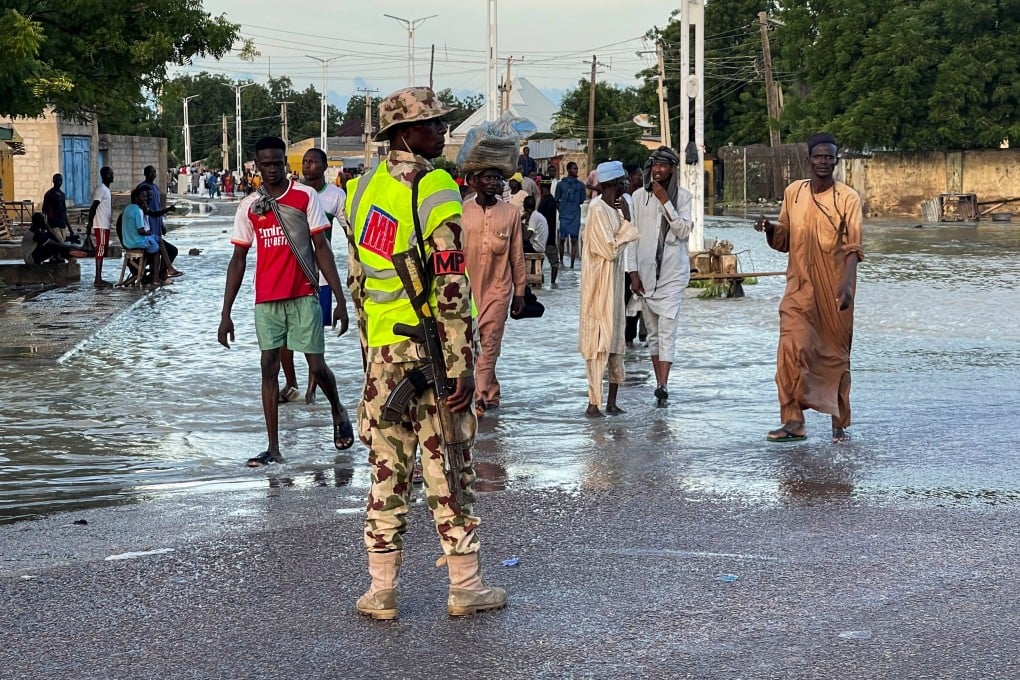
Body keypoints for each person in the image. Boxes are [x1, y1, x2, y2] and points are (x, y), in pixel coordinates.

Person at [344, 86, 506, 620]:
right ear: (402, 133)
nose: (441, 132)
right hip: (432, 351)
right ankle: (466, 585)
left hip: (383, 357)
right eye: (431, 125)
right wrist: (461, 365)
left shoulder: (359, 189)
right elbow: (451, 281)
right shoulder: (435, 186)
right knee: (448, 468)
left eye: (441, 123)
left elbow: (360, 283)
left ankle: (381, 590)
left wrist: (372, 356)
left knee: (387, 470)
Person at [217, 136, 355, 469]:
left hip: (304, 294)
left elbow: (321, 247)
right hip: (266, 299)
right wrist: (226, 314)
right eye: (266, 164)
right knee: (268, 367)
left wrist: (339, 298)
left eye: (278, 163)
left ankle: (337, 407)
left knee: (316, 366)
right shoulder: (249, 206)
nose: (273, 169)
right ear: (257, 166)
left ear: (284, 164)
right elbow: (238, 259)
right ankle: (273, 447)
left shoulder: (305, 196)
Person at [754, 132, 864, 444]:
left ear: (836, 161)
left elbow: (854, 247)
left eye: (829, 157)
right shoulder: (794, 193)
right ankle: (792, 421)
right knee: (791, 349)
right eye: (818, 157)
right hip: (799, 289)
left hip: (835, 293)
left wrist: (846, 283)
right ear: (808, 160)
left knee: (834, 355)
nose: (823, 162)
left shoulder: (848, 199)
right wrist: (771, 229)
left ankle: (838, 423)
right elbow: (785, 238)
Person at [279, 148, 349, 404]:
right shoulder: (293, 193)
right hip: (291, 275)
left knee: (313, 338)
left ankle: (312, 389)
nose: (307, 166)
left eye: (312, 162)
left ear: (324, 166)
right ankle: (290, 382)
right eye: (305, 162)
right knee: (284, 335)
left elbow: (347, 230)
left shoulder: (335, 196)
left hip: (319, 279)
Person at [626, 147, 694, 407]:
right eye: (655, 165)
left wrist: (666, 201)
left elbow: (683, 231)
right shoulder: (637, 197)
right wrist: (632, 273)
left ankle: (664, 384)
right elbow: (632, 238)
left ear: (672, 170)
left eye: (663, 166)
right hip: (645, 275)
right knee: (653, 333)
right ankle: (658, 383)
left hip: (672, 276)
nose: (657, 170)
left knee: (668, 331)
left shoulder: (683, 198)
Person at [462, 166, 526, 417]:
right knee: (470, 345)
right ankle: (490, 392)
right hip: (466, 291)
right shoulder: (461, 212)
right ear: (474, 181)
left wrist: (519, 292)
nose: (493, 183)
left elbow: (517, 255)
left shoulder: (510, 214)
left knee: (489, 344)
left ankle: (478, 399)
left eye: (497, 178)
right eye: (487, 178)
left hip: (498, 289)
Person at [578, 161, 639, 417]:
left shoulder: (615, 211)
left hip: (613, 287)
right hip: (597, 287)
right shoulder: (597, 210)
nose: (627, 184)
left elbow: (621, 239)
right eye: (623, 181)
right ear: (613, 183)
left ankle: (612, 402)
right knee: (597, 344)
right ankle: (594, 403)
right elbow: (609, 249)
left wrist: (626, 219)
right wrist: (628, 226)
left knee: (615, 343)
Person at [136, 165, 183, 280]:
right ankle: (157, 274)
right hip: (149, 225)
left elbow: (158, 208)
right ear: (145, 174)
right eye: (150, 172)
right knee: (157, 250)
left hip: (157, 223)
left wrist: (162, 224)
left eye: (154, 172)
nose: (153, 174)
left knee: (162, 248)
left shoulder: (156, 188)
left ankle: (160, 273)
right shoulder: (142, 188)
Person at [120, 186, 168, 287]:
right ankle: (155, 279)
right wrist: (148, 233)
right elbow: (141, 231)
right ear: (136, 198)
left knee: (156, 240)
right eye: (143, 197)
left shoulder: (127, 209)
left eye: (146, 197)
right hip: (137, 242)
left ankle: (164, 270)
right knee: (157, 249)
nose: (145, 199)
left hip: (127, 242)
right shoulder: (138, 211)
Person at [86, 166, 115, 288]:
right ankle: (97, 278)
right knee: (100, 250)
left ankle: (99, 277)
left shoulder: (107, 190)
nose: (112, 176)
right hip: (101, 225)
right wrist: (89, 224)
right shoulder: (101, 190)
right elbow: (93, 207)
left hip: (105, 225)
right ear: (105, 176)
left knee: (102, 250)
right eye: (110, 174)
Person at [21, 212, 86, 264]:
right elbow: (50, 243)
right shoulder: (34, 232)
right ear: (40, 221)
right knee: (51, 246)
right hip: (31, 259)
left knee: (54, 244)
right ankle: (69, 254)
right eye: (43, 220)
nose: (44, 222)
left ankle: (66, 256)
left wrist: (68, 239)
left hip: (35, 255)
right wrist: (68, 247)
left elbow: (53, 238)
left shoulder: (40, 230)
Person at [554, 161, 585, 268]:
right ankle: (561, 261)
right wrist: (561, 211)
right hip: (564, 214)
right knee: (562, 238)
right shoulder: (561, 184)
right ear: (568, 170)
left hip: (575, 214)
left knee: (574, 239)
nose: (576, 171)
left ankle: (572, 264)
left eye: (577, 169)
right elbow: (556, 200)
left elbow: (582, 200)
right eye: (574, 169)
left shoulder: (581, 185)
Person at [537, 180, 559, 284]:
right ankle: (553, 283)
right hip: (550, 237)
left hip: (542, 238)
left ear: (541, 186)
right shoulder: (552, 200)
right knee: (554, 262)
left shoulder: (545, 201)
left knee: (539, 261)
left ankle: (540, 282)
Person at [41, 174, 71, 246]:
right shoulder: (49, 194)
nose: (59, 182)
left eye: (61, 180)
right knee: (61, 243)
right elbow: (44, 210)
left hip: (62, 224)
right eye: (57, 180)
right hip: (53, 224)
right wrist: (44, 226)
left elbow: (64, 212)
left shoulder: (62, 194)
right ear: (53, 181)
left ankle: (57, 257)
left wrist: (70, 228)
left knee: (60, 243)